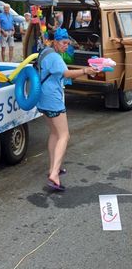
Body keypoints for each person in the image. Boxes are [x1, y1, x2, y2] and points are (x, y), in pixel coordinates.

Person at [36, 28, 100, 191]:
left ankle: (53, 168)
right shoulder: (55, 57)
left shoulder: (45, 51)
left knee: (54, 133)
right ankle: (54, 175)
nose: (66, 46)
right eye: (64, 43)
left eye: (68, 43)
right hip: (53, 100)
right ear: (56, 41)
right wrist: (86, 70)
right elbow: (66, 73)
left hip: (42, 98)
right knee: (64, 135)